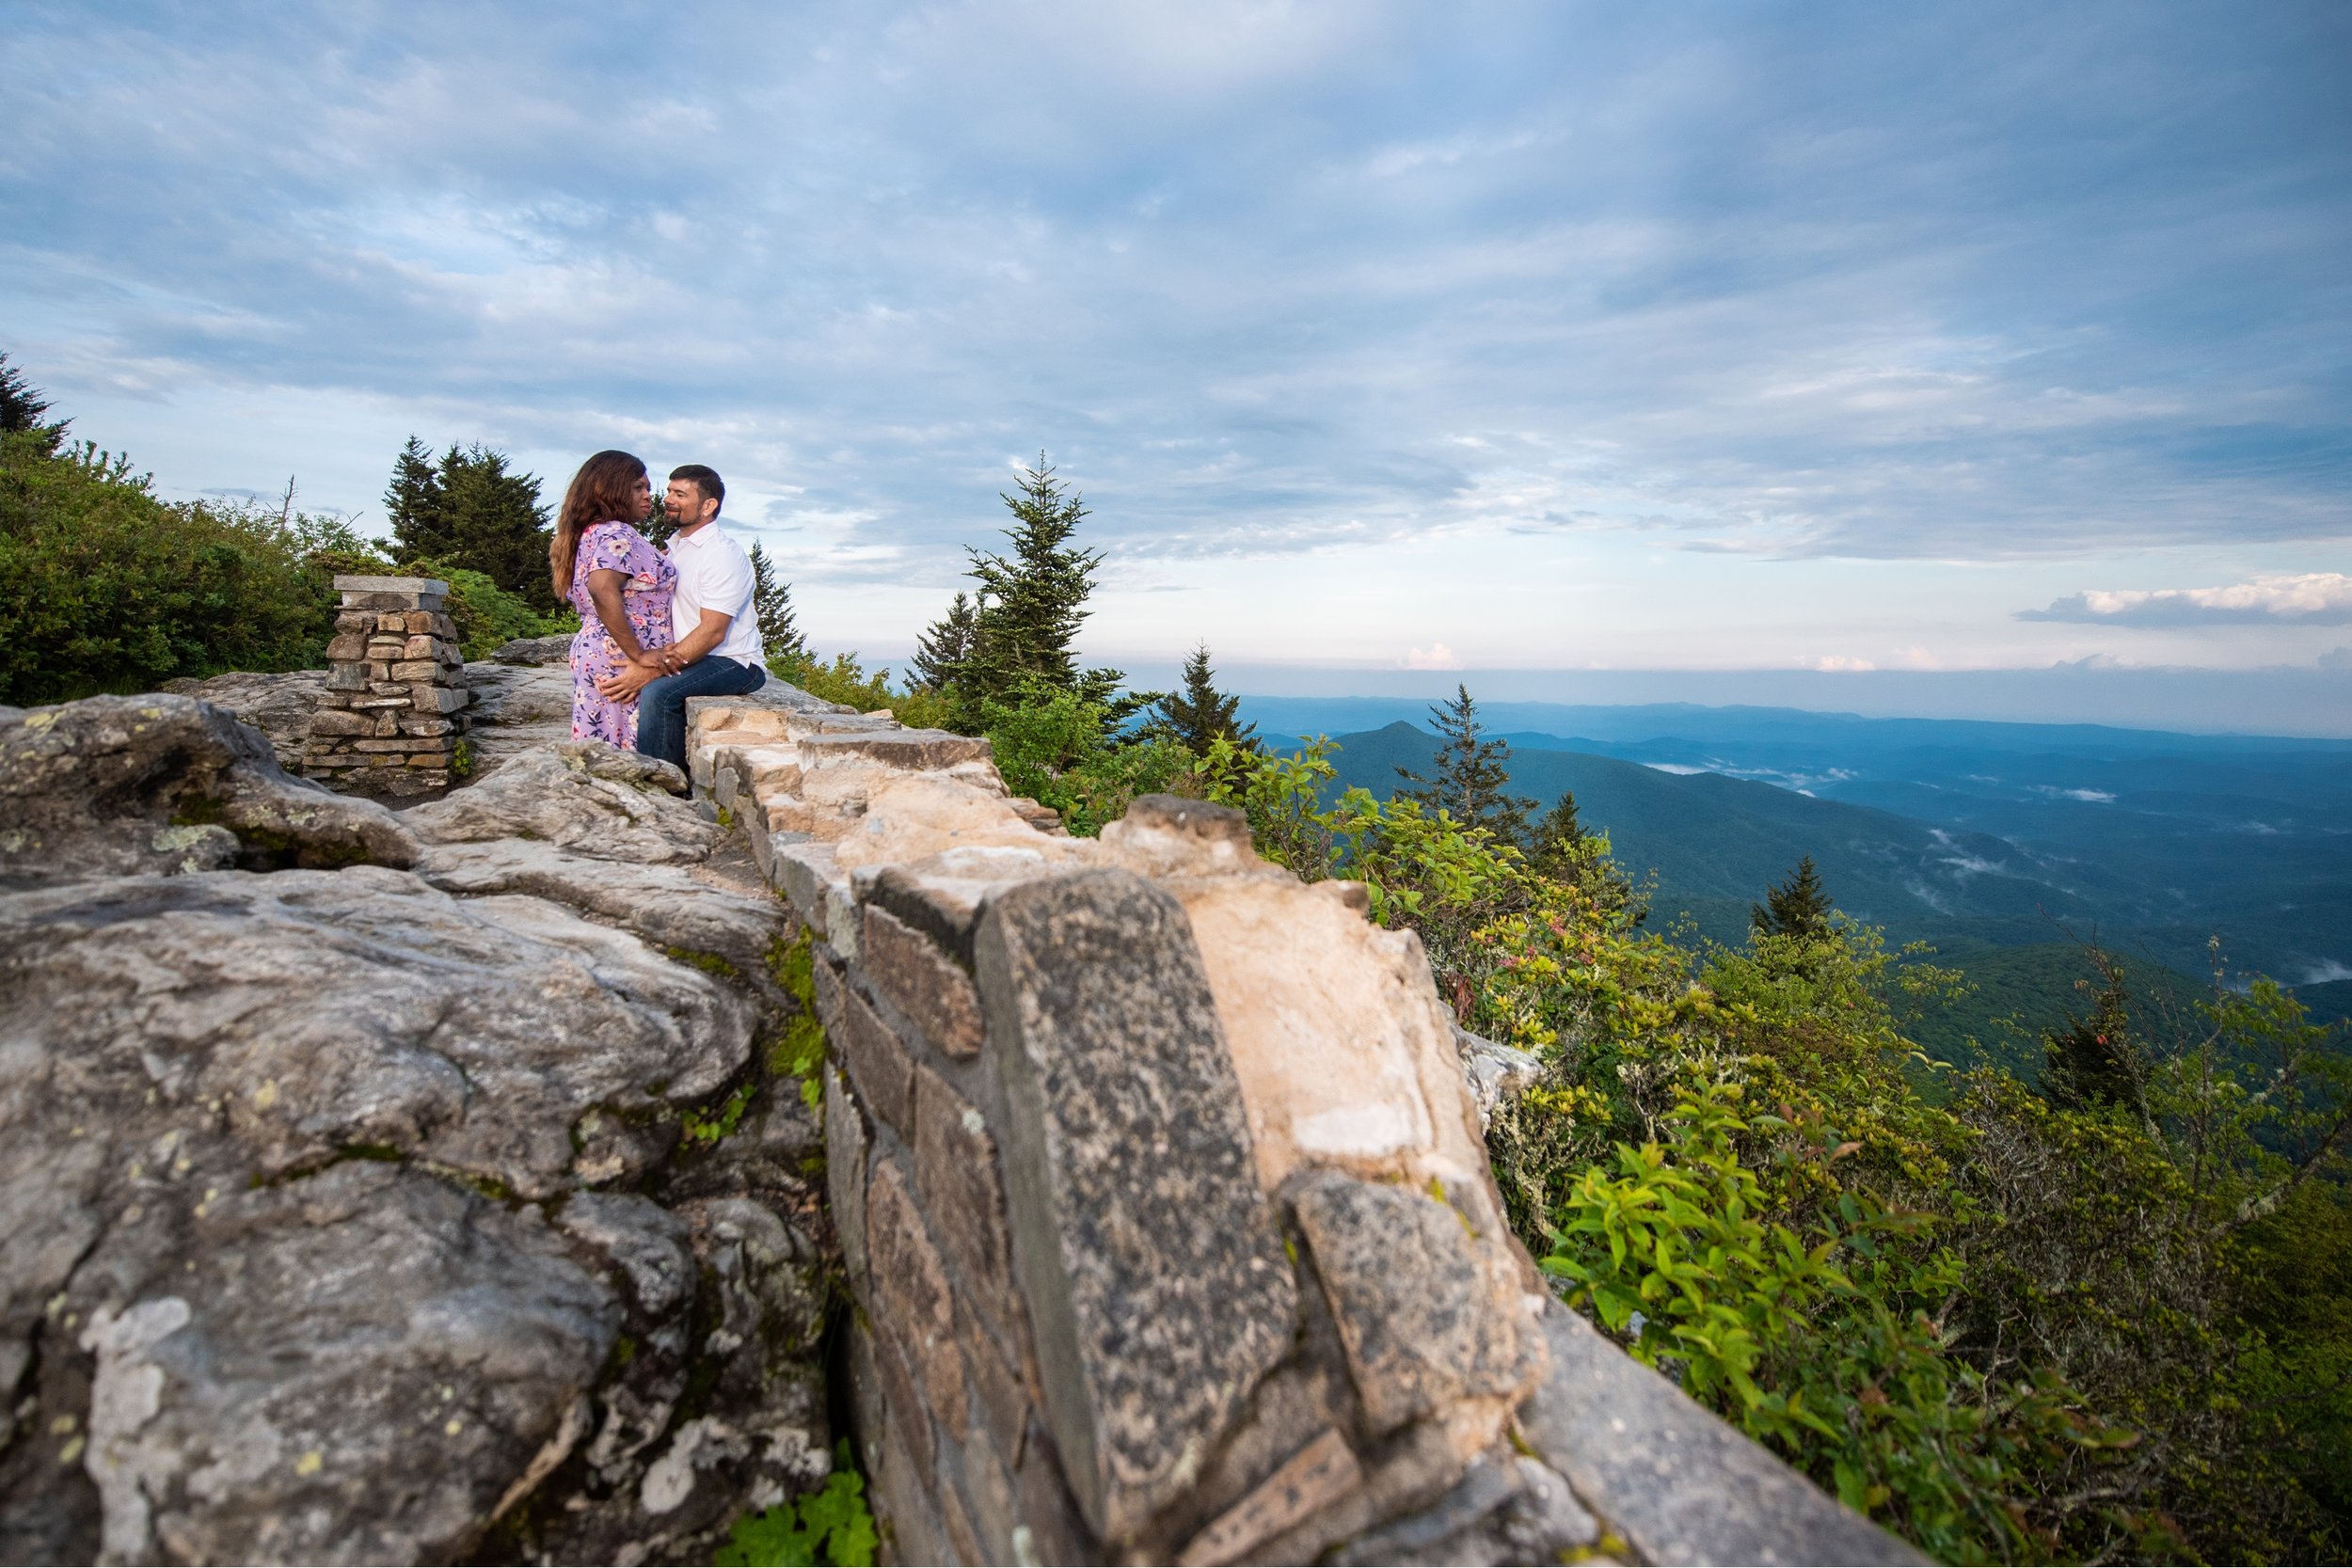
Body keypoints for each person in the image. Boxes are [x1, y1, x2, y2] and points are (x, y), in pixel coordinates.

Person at [597, 463, 767, 770]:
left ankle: (665, 787)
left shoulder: (721, 553)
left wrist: (655, 669)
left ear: (708, 505)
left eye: (680, 494)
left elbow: (713, 632)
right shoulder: (676, 548)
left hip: (732, 660)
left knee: (659, 694)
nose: (668, 499)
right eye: (668, 492)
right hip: (698, 656)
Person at [551, 450, 676, 748]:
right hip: (618, 657)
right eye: (638, 488)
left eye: (648, 488)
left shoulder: (593, 532)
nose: (648, 496)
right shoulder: (617, 532)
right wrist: (640, 655)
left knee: (603, 745)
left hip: (598, 649)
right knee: (621, 748)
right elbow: (602, 588)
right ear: (611, 489)